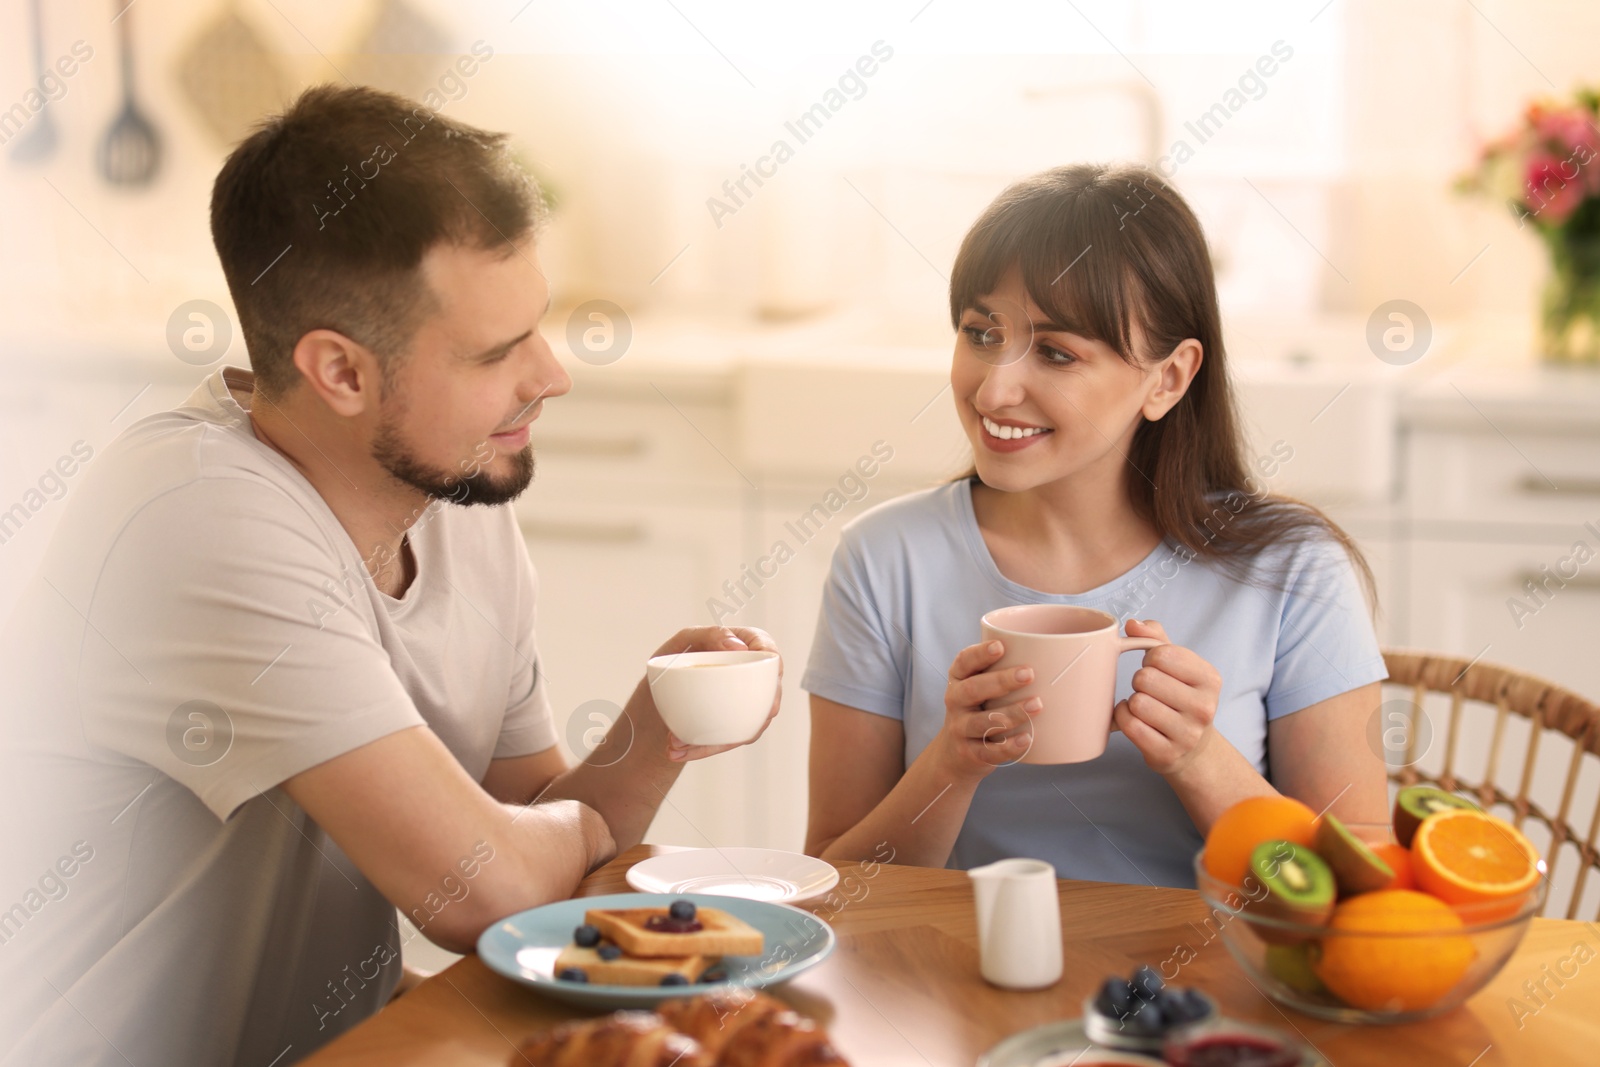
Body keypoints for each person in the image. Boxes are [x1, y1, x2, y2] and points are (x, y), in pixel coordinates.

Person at [0, 85, 779, 1066]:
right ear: (340, 372)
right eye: (498, 351)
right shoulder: (193, 514)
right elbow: (487, 886)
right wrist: (555, 831)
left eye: (537, 326)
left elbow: (542, 846)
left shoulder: (451, 494)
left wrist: (653, 731)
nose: (551, 374)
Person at [801, 163, 1387, 887]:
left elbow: (1363, 884)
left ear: (1167, 379)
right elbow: (830, 882)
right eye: (981, 333)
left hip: (1205, 993)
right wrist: (951, 764)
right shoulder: (883, 559)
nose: (993, 388)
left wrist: (1200, 758)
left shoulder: (1293, 569)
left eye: (1055, 352)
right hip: (956, 983)